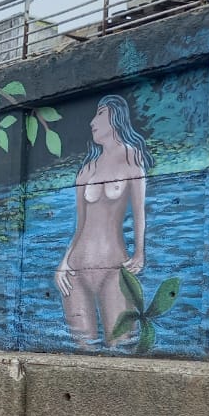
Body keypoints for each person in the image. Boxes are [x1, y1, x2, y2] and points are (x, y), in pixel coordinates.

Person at [55, 95, 149, 347]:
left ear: (114, 117)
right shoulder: (87, 170)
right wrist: (63, 263)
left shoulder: (132, 159)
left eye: (99, 114)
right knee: (82, 349)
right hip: (76, 270)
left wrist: (140, 252)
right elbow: (80, 225)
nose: (91, 122)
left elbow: (140, 213)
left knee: (119, 347)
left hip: (114, 268)